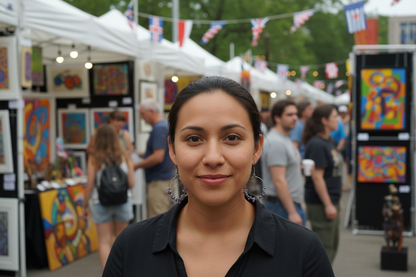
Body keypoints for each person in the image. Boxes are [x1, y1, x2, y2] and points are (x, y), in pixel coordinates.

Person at [103, 77, 334, 276]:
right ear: (172, 150)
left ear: (256, 148)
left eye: (232, 137)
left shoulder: (302, 251)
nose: (213, 158)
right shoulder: (131, 247)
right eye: (194, 139)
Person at [83, 124, 135, 270]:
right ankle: (125, 272)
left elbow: (90, 185)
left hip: (101, 203)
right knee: (122, 239)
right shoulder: (125, 156)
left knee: (104, 242)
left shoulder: (94, 158)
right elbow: (131, 183)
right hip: (122, 202)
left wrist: (85, 204)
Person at [302, 104, 342, 264]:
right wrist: (328, 205)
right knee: (325, 248)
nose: (338, 119)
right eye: (335, 116)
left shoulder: (328, 140)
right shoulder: (317, 144)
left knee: (332, 244)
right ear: (324, 120)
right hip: (321, 202)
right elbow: (317, 178)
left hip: (331, 199)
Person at [262, 99, 306, 226]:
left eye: (296, 114)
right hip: (282, 206)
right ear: (277, 118)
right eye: (289, 114)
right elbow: (278, 180)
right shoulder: (276, 142)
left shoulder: (284, 138)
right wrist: (292, 212)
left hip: (287, 204)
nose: (295, 118)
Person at [134, 98, 174, 218]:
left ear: (151, 111)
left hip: (158, 182)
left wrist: (136, 165)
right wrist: (138, 153)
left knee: (157, 219)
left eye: (142, 114)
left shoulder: (159, 128)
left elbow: (158, 157)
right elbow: (159, 152)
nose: (141, 117)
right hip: (164, 179)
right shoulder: (163, 126)